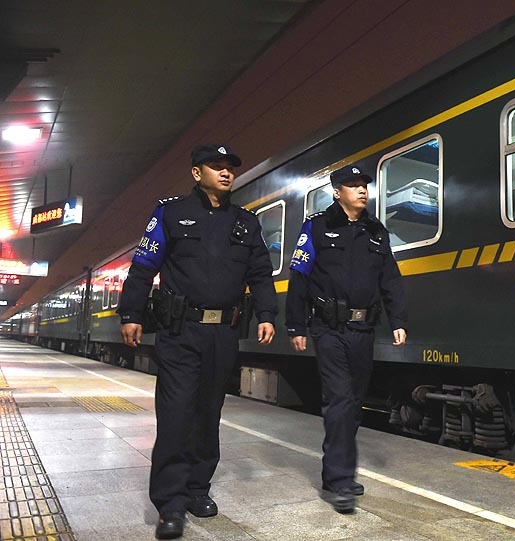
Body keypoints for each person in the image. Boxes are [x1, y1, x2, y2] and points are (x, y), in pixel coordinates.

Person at [117, 144, 278, 539]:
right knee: (176, 415)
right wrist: (131, 314)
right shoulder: (170, 214)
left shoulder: (246, 223)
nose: (226, 173)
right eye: (216, 167)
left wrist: (268, 315)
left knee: (208, 413)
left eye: (230, 168)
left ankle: (197, 489)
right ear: (196, 173)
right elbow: (143, 266)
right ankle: (170, 504)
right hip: (180, 332)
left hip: (223, 333)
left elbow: (260, 274)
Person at [285, 164, 407, 513]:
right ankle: (341, 481)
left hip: (363, 330)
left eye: (364, 185)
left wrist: (397, 319)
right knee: (339, 399)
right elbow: (300, 277)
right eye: (352, 185)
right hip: (329, 329)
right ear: (337, 191)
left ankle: (333, 472)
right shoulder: (318, 226)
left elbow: (391, 279)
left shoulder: (376, 232)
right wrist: (296, 326)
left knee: (353, 403)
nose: (361, 190)